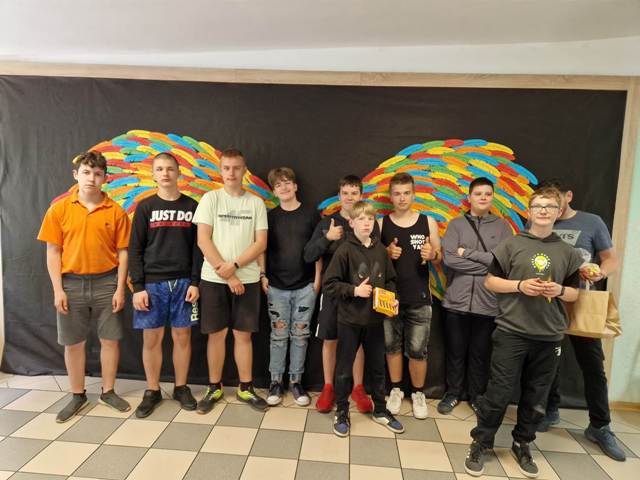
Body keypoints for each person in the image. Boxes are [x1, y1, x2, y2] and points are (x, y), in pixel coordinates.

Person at [464, 186, 583, 478]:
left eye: (549, 207)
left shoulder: (568, 252)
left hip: (549, 336)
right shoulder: (511, 245)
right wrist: (520, 285)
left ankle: (523, 442)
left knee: (536, 396)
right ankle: (482, 442)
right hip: (511, 331)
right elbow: (491, 282)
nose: (543, 211)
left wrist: (559, 290)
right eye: (538, 206)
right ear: (529, 212)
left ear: (558, 212)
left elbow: (574, 294)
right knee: (499, 392)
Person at [37, 151, 132, 423]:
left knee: (110, 340)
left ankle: (108, 391)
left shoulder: (116, 211)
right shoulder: (59, 210)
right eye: (86, 173)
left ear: (105, 178)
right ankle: (77, 395)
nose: (91, 178)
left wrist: (120, 288)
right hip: (71, 284)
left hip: (107, 282)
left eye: (98, 174)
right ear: (75, 175)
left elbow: (123, 252)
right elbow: (53, 252)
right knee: (74, 342)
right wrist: (58, 289)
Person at [535, 179, 625, 461]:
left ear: (568, 196)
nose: (550, 207)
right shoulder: (540, 223)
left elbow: (611, 259)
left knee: (593, 366)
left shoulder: (592, 222)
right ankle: (549, 410)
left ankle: (600, 426)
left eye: (555, 200)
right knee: (548, 362)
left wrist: (599, 272)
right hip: (548, 304)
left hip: (584, 303)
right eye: (544, 201)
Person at [193, 149, 268, 412]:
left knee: (243, 335)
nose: (231, 173)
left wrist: (234, 267)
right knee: (216, 335)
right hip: (213, 279)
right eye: (226, 168)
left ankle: (245, 388)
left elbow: (261, 243)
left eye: (236, 168)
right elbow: (203, 239)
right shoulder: (210, 199)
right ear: (220, 170)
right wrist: (227, 273)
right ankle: (214, 387)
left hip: (247, 280)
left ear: (244, 170)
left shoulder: (256, 203)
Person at [128, 152, 203, 418]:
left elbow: (198, 249)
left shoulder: (192, 206)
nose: (165, 173)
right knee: (152, 339)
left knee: (183, 337)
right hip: (152, 284)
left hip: (184, 283)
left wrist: (195, 282)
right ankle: (152, 390)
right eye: (159, 169)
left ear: (178, 172)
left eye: (170, 168)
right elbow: (135, 249)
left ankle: (181, 387)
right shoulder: (145, 207)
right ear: (153, 174)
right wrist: (138, 287)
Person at [323, 201, 404, 436]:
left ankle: (380, 410)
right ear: (351, 222)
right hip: (349, 320)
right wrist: (354, 291)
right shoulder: (344, 250)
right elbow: (329, 284)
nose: (366, 223)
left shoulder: (381, 250)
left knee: (378, 368)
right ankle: (342, 411)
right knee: (344, 369)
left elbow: (390, 280)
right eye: (361, 219)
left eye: (370, 219)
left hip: (375, 320)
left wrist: (393, 299)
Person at [438, 177, 513, 415]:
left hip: (488, 303)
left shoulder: (503, 227)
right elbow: (450, 259)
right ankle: (452, 393)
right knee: (455, 352)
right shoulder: (456, 225)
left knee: (480, 354)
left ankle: (476, 396)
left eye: (487, 194)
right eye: (478, 193)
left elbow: (502, 262)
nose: (483, 198)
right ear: (469, 197)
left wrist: (467, 253)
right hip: (456, 301)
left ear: (493, 197)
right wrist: (486, 264)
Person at [304, 175, 377, 413]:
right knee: (330, 339)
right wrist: (327, 238)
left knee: (358, 342)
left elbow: (378, 254)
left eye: (354, 193)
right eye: (345, 193)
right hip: (333, 292)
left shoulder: (369, 223)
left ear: (361, 196)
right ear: (339, 196)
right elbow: (308, 255)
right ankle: (328, 387)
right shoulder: (328, 223)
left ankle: (358, 387)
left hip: (360, 294)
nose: (349, 198)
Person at [378, 173, 442, 419]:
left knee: (418, 350)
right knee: (391, 346)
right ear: (391, 196)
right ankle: (396, 390)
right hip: (389, 296)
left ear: (414, 194)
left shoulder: (428, 222)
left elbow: (439, 256)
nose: (402, 198)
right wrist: (386, 253)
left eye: (406, 193)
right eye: (397, 193)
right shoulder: (382, 223)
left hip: (419, 295)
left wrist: (432, 254)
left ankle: (418, 393)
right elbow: (372, 258)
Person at [257, 167, 321, 406]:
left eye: (287, 183)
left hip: (305, 286)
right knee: (278, 335)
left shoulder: (311, 214)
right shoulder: (270, 217)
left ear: (295, 186)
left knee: (301, 335)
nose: (283, 187)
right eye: (278, 185)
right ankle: (275, 381)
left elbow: (318, 248)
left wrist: (317, 280)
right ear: (274, 192)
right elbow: (261, 247)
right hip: (276, 286)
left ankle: (296, 381)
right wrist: (263, 275)